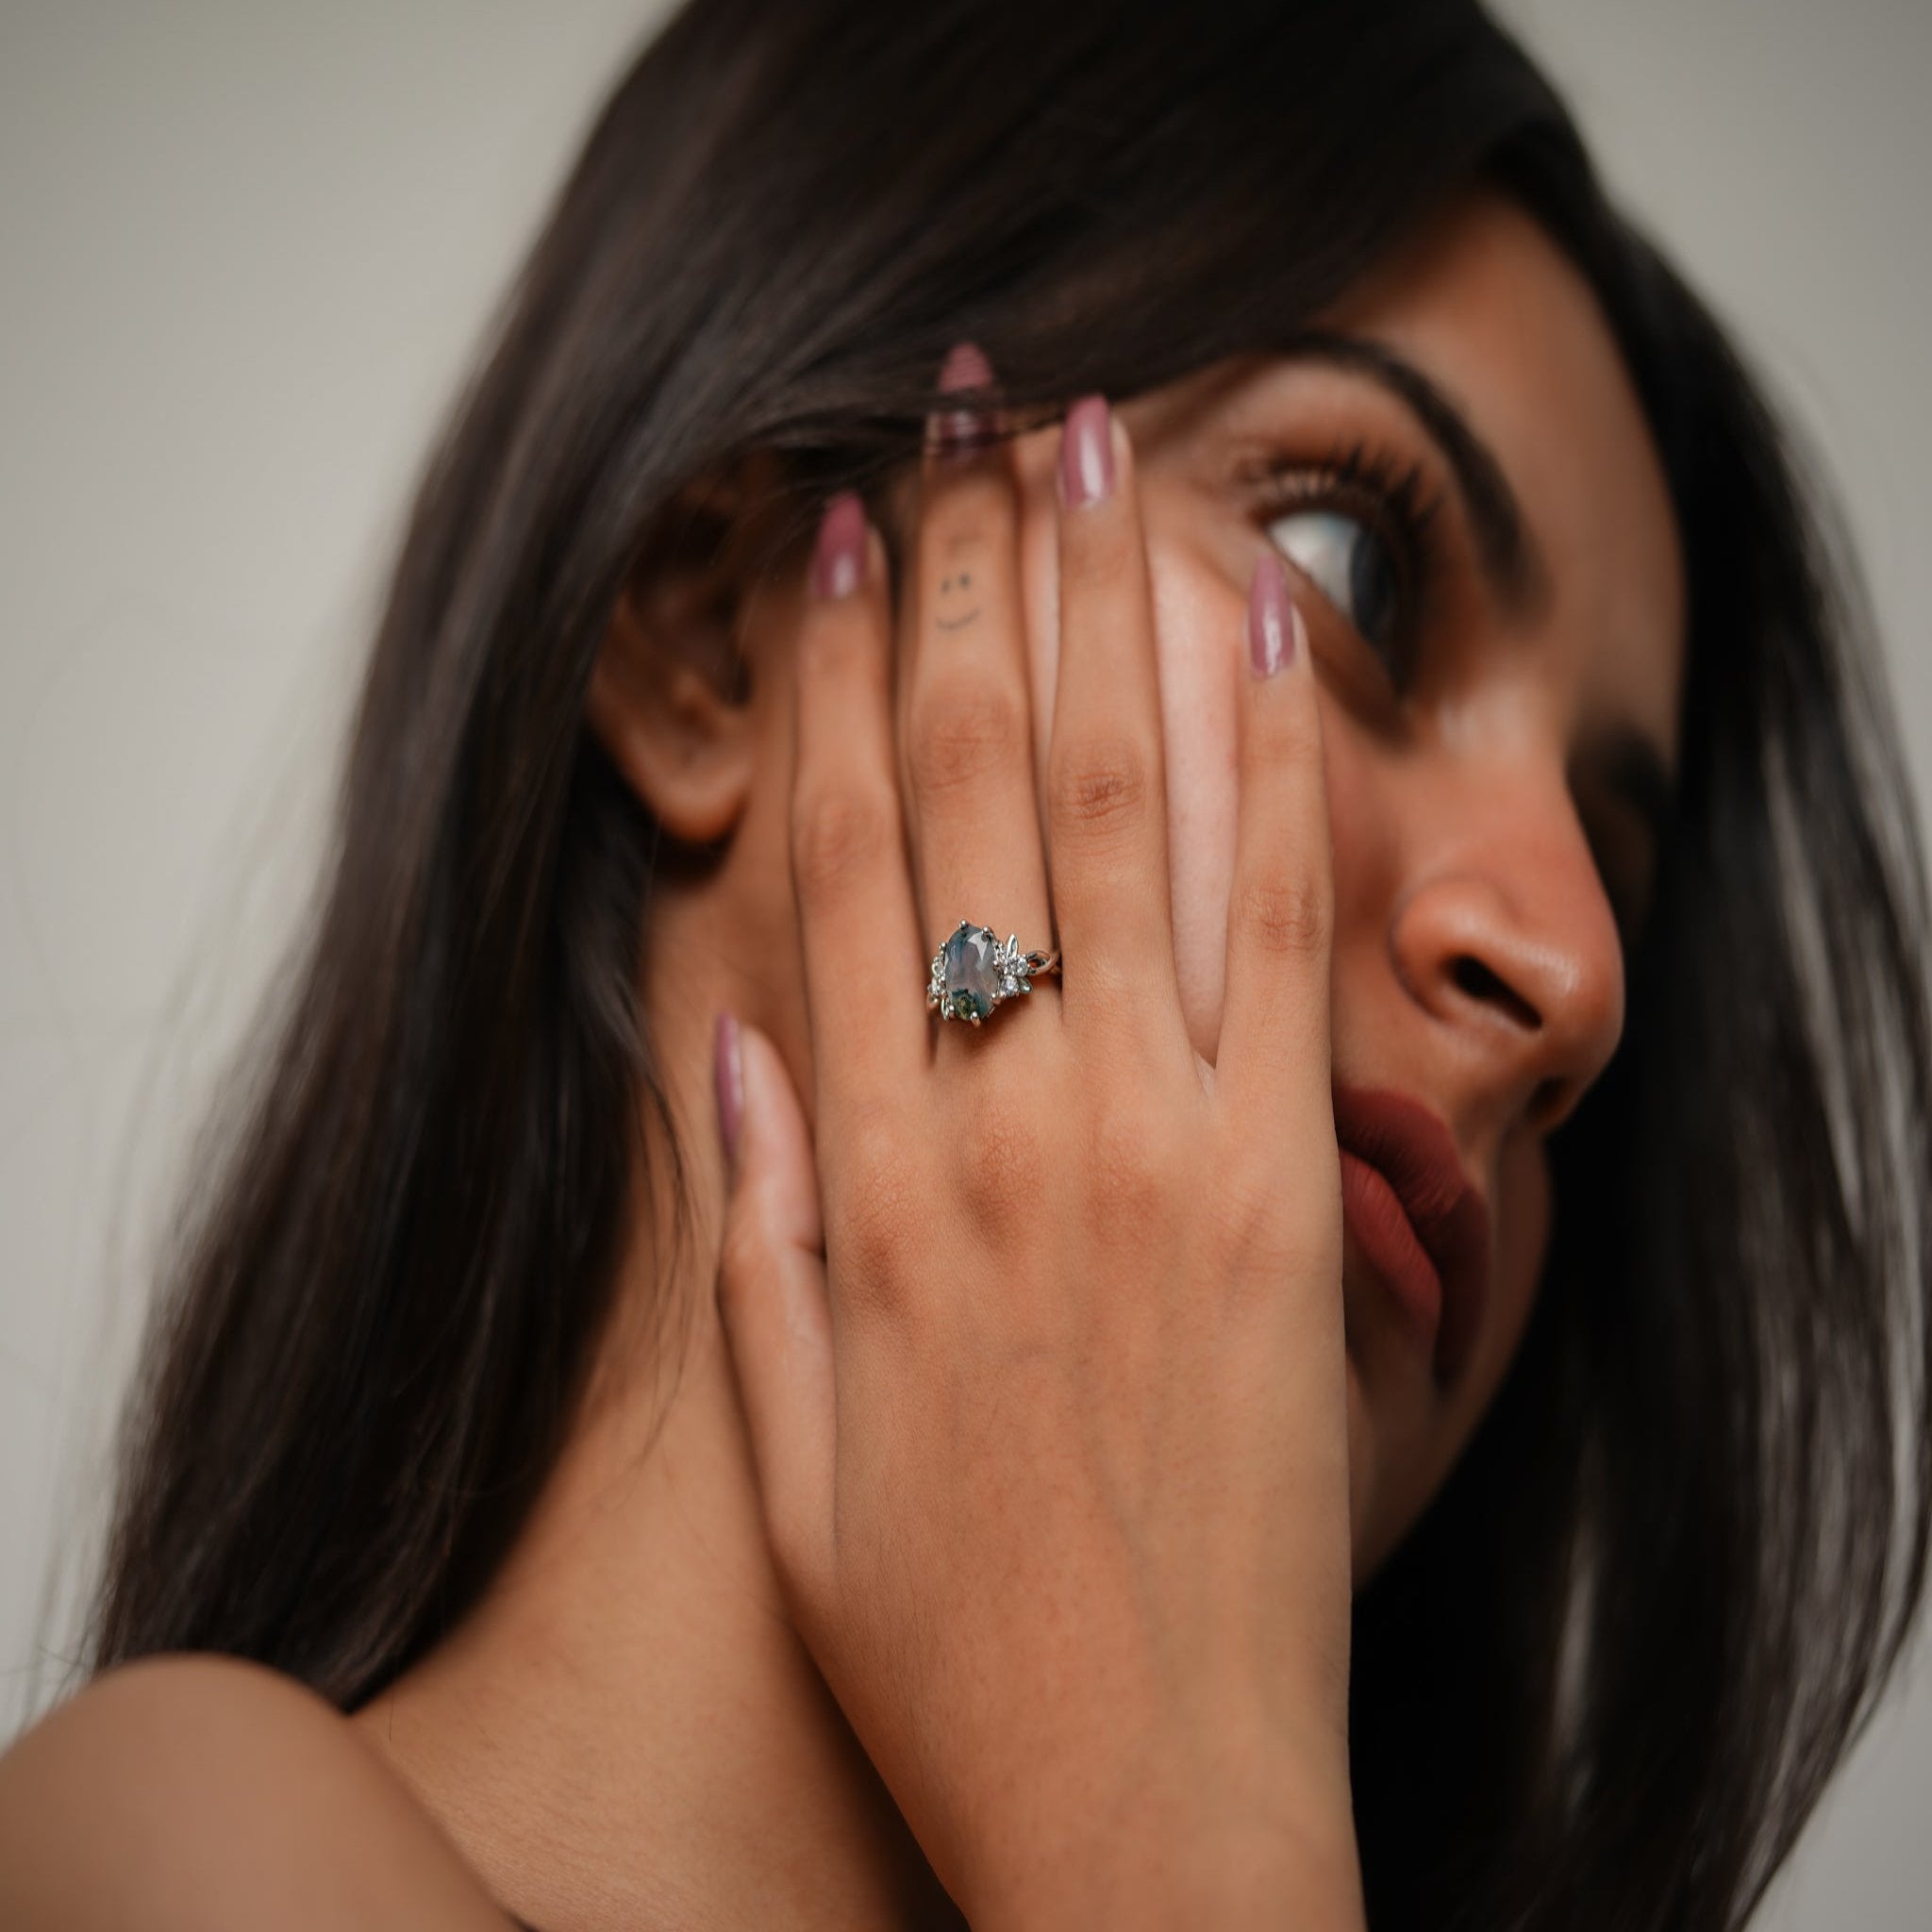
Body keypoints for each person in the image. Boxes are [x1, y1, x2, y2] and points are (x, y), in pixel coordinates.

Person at [3, 1, 1928, 1926]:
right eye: (1353, 565)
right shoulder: (173, 1854)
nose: (1576, 976)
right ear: (707, 625)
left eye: (1613, 862)